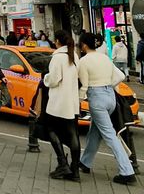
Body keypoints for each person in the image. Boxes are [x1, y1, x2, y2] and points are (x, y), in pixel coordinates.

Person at [78, 32, 136, 185]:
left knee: (110, 135)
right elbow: (120, 76)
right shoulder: (104, 57)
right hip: (110, 96)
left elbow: (84, 86)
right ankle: (85, 162)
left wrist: (77, 101)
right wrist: (107, 86)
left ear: (84, 45)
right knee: (95, 131)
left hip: (96, 98)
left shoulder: (83, 61)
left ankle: (127, 171)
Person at [43, 30, 80, 181]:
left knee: (50, 129)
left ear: (57, 41)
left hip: (58, 102)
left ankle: (62, 163)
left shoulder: (57, 58)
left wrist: (45, 77)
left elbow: (53, 80)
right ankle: (75, 170)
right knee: (73, 134)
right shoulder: (74, 55)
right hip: (72, 101)